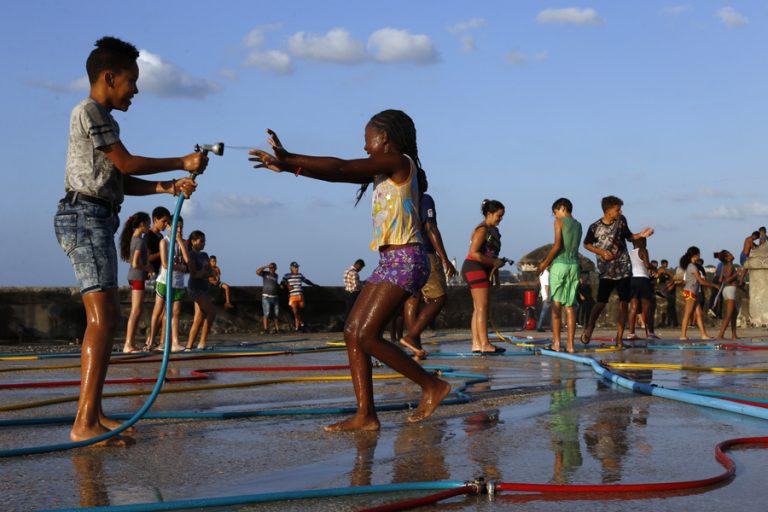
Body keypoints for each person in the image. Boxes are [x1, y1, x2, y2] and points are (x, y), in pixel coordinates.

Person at [248, 109, 451, 431]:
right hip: (390, 261)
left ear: (384, 138)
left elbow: (340, 167)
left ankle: (432, 386)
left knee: (368, 335)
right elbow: (337, 173)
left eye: (368, 140)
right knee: (352, 333)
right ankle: (366, 415)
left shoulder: (398, 162)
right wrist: (290, 168)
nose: (365, 147)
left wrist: (289, 159)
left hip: (407, 259)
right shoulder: (382, 171)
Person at [53, 36, 204, 446]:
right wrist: (181, 161)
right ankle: (84, 422)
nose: (135, 90)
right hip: (86, 216)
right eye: (131, 81)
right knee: (102, 320)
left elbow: (121, 179)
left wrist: (168, 186)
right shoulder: (90, 111)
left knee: (106, 319)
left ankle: (95, 414)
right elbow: (126, 162)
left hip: (95, 213)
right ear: (109, 77)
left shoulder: (104, 119)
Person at [580, 196, 653, 348]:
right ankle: (589, 329)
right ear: (608, 210)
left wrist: (641, 235)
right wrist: (600, 251)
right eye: (617, 209)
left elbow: (629, 236)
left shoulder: (622, 220)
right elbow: (586, 244)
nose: (620, 212)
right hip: (606, 271)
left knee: (623, 304)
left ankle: (619, 338)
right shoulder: (595, 227)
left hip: (624, 268)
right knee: (600, 303)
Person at [400, 171, 457, 360]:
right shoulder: (424, 199)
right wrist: (445, 257)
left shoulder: (403, 201)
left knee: (413, 298)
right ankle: (412, 336)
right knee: (438, 298)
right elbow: (430, 227)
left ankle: (415, 346)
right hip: (424, 252)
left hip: (403, 253)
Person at [460, 199, 508, 354]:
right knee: (482, 308)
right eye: (498, 216)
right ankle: (485, 344)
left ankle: (476, 344)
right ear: (489, 214)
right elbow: (474, 253)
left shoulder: (494, 232)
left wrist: (497, 277)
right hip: (474, 268)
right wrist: (494, 262)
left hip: (483, 270)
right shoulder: (482, 230)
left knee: (478, 308)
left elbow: (494, 258)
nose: (500, 219)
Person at [536, 198, 583, 353]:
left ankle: (556, 343)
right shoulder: (578, 225)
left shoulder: (559, 222)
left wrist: (544, 264)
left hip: (560, 265)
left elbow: (557, 246)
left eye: (555, 213)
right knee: (570, 306)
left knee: (556, 305)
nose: (555, 216)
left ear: (562, 208)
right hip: (574, 265)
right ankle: (570, 345)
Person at [146, 217, 190, 353]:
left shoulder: (182, 242)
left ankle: (175, 342)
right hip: (164, 281)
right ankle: (151, 340)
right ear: (169, 227)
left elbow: (187, 261)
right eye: (177, 227)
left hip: (178, 282)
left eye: (181, 227)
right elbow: (165, 264)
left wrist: (180, 243)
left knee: (175, 312)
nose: (179, 230)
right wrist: (180, 267)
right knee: (158, 311)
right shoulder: (164, 242)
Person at [119, 212, 153, 353]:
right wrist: (148, 267)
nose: (149, 226)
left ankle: (130, 343)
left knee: (137, 310)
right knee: (136, 310)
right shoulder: (139, 241)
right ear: (142, 224)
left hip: (135, 276)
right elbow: (135, 263)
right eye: (148, 223)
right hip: (137, 276)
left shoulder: (135, 239)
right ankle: (128, 344)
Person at [679, 246, 719, 340]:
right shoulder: (692, 266)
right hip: (690, 292)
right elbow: (701, 281)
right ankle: (683, 335)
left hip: (694, 292)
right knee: (688, 313)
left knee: (699, 314)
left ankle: (704, 335)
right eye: (698, 254)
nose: (699, 255)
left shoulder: (691, 266)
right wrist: (713, 285)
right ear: (695, 255)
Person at [186, 231, 216, 350]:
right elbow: (193, 274)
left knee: (198, 318)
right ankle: (202, 342)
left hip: (204, 288)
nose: (204, 243)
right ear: (193, 242)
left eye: (204, 241)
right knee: (212, 312)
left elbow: (211, 271)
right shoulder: (191, 255)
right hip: (196, 289)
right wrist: (205, 274)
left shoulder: (204, 255)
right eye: (201, 241)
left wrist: (209, 273)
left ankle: (189, 346)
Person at [625, 237, 660, 341]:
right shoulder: (643, 250)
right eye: (645, 242)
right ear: (640, 242)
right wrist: (654, 268)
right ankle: (651, 333)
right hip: (642, 280)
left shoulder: (630, 253)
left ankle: (631, 333)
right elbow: (646, 264)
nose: (646, 244)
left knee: (633, 307)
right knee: (647, 307)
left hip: (632, 280)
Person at [281, 262, 317, 332]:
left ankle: (298, 327)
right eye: (295, 267)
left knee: (300, 312)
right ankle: (302, 323)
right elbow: (282, 282)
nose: (297, 269)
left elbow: (306, 281)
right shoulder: (287, 275)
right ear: (291, 268)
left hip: (300, 295)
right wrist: (287, 285)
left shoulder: (300, 275)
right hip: (292, 296)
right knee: (295, 311)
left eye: (297, 267)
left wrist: (313, 284)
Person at [715, 250, 739, 339]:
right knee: (729, 314)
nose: (732, 254)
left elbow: (720, 280)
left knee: (734, 313)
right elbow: (727, 280)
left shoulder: (724, 266)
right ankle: (720, 334)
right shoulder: (730, 266)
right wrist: (737, 273)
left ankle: (734, 335)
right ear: (727, 258)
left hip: (725, 290)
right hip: (730, 290)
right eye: (730, 254)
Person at [256, 262, 281, 333]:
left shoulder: (276, 275)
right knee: (266, 313)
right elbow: (257, 272)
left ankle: (277, 329)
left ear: (275, 268)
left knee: (276, 314)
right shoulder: (265, 273)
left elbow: (275, 283)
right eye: (271, 268)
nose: (272, 269)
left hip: (275, 297)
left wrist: (279, 286)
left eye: (273, 268)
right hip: (266, 297)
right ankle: (266, 329)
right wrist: (266, 266)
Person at [657, 259, 678, 327]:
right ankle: (665, 290)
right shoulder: (660, 270)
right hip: (661, 286)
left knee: (673, 283)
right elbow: (657, 277)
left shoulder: (667, 271)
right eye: (665, 264)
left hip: (666, 287)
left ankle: (666, 290)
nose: (666, 265)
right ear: (663, 264)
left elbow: (673, 277)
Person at [536, 268, 551, 332]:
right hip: (547, 295)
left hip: (544, 294)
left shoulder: (541, 273)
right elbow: (547, 285)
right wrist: (547, 296)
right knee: (545, 311)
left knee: (549, 312)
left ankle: (552, 326)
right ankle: (539, 326)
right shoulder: (546, 273)